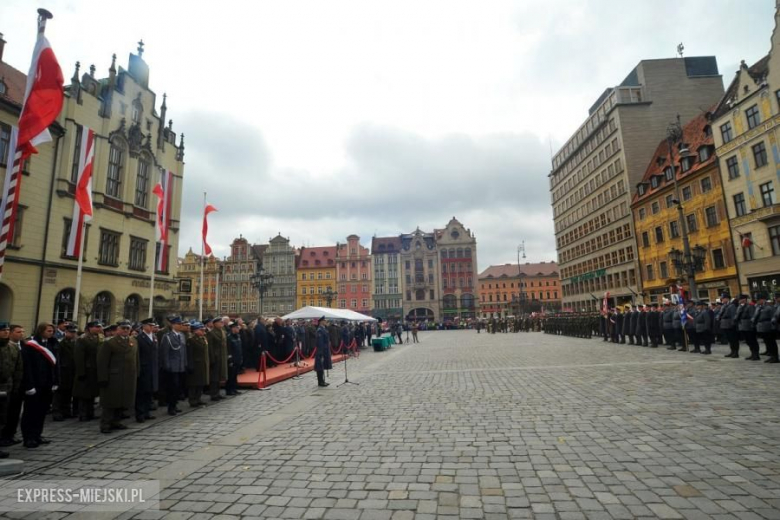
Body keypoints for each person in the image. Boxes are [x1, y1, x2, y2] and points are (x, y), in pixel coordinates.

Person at [21, 324, 59, 448]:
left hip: (47, 384)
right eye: (48, 331)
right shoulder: (30, 346)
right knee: (30, 412)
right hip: (35, 384)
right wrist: (29, 385)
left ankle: (37, 434)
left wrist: (55, 381)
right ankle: (28, 437)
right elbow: (27, 367)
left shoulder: (52, 343)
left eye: (52, 331)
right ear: (41, 331)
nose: (51, 333)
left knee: (42, 411)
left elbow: (55, 364)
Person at [97, 321, 138, 434]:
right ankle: (105, 424)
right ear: (118, 329)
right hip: (114, 377)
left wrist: (137, 373)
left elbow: (136, 359)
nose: (125, 330)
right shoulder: (110, 343)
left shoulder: (133, 341)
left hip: (128, 376)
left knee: (123, 401)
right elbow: (102, 362)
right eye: (123, 328)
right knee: (110, 402)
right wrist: (103, 378)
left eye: (127, 328)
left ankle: (116, 421)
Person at [0, 322, 22, 457]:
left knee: (2, 418)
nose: (6, 332)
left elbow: (18, 368)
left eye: (7, 330)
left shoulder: (12, 348)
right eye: (3, 330)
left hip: (7, 387)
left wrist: (16, 385)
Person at [73, 321, 102, 421]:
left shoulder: (97, 338)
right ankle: (83, 414)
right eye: (96, 327)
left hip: (94, 370)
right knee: (84, 394)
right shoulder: (83, 339)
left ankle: (90, 413)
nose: (99, 329)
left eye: (99, 327)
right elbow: (79, 357)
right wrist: (81, 372)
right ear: (89, 328)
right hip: (86, 370)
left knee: (92, 393)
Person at [160, 317, 187, 415]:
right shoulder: (167, 336)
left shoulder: (182, 335)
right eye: (178, 324)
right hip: (172, 366)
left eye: (181, 324)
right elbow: (165, 352)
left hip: (180, 366)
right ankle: (170, 407)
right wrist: (167, 365)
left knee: (178, 387)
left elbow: (183, 351)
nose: (180, 325)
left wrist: (185, 363)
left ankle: (175, 405)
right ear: (173, 325)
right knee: (172, 387)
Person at [52, 323, 78, 420]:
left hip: (71, 371)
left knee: (68, 392)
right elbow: (57, 358)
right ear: (66, 332)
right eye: (71, 332)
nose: (73, 334)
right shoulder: (60, 343)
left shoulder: (75, 343)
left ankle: (66, 410)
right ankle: (57, 411)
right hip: (62, 371)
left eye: (74, 332)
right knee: (59, 393)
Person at [135, 318, 158, 423]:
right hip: (143, 368)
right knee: (141, 392)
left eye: (153, 325)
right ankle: (140, 414)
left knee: (149, 391)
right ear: (144, 326)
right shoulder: (139, 338)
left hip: (152, 368)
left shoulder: (153, 337)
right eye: (150, 325)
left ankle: (147, 412)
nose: (152, 327)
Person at [186, 322, 209, 407]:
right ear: (195, 330)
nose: (203, 331)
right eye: (201, 330)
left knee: (200, 383)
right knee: (193, 384)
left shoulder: (202, 338)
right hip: (195, 364)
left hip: (202, 364)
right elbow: (190, 354)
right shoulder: (191, 340)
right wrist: (190, 365)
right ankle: (192, 400)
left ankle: (198, 398)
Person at [754, 292, 777, 363]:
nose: (757, 301)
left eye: (758, 300)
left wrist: (773, 327)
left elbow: (774, 316)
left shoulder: (769, 307)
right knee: (767, 342)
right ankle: (771, 355)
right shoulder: (759, 307)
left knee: (771, 343)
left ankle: (775, 357)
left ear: (763, 300)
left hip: (768, 326)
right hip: (762, 327)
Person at [206, 318, 226, 401]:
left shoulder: (222, 332)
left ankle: (217, 392)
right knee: (214, 377)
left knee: (219, 376)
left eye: (222, 322)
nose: (221, 323)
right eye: (219, 322)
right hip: (215, 357)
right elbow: (210, 347)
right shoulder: (211, 333)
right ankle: (213, 394)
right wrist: (212, 358)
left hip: (222, 357)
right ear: (214, 324)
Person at [737, 294, 759, 361]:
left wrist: (752, 326)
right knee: (748, 341)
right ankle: (752, 353)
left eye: (740, 299)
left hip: (749, 326)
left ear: (744, 299)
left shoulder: (750, 306)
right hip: (743, 326)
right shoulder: (740, 307)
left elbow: (752, 316)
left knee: (752, 341)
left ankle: (756, 355)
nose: (739, 300)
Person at [226, 322, 243, 396]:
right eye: (237, 328)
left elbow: (239, 348)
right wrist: (230, 359)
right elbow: (228, 349)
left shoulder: (238, 336)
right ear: (233, 328)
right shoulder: (229, 337)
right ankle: (229, 390)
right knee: (231, 375)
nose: (238, 329)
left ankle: (234, 388)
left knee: (235, 375)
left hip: (238, 357)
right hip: (232, 359)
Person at [315, 317, 332, 387]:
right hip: (321, 351)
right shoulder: (320, 330)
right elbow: (320, 343)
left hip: (325, 350)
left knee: (322, 365)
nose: (326, 322)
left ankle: (322, 380)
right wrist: (321, 353)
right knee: (320, 366)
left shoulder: (324, 329)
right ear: (321, 322)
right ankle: (320, 381)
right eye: (324, 321)